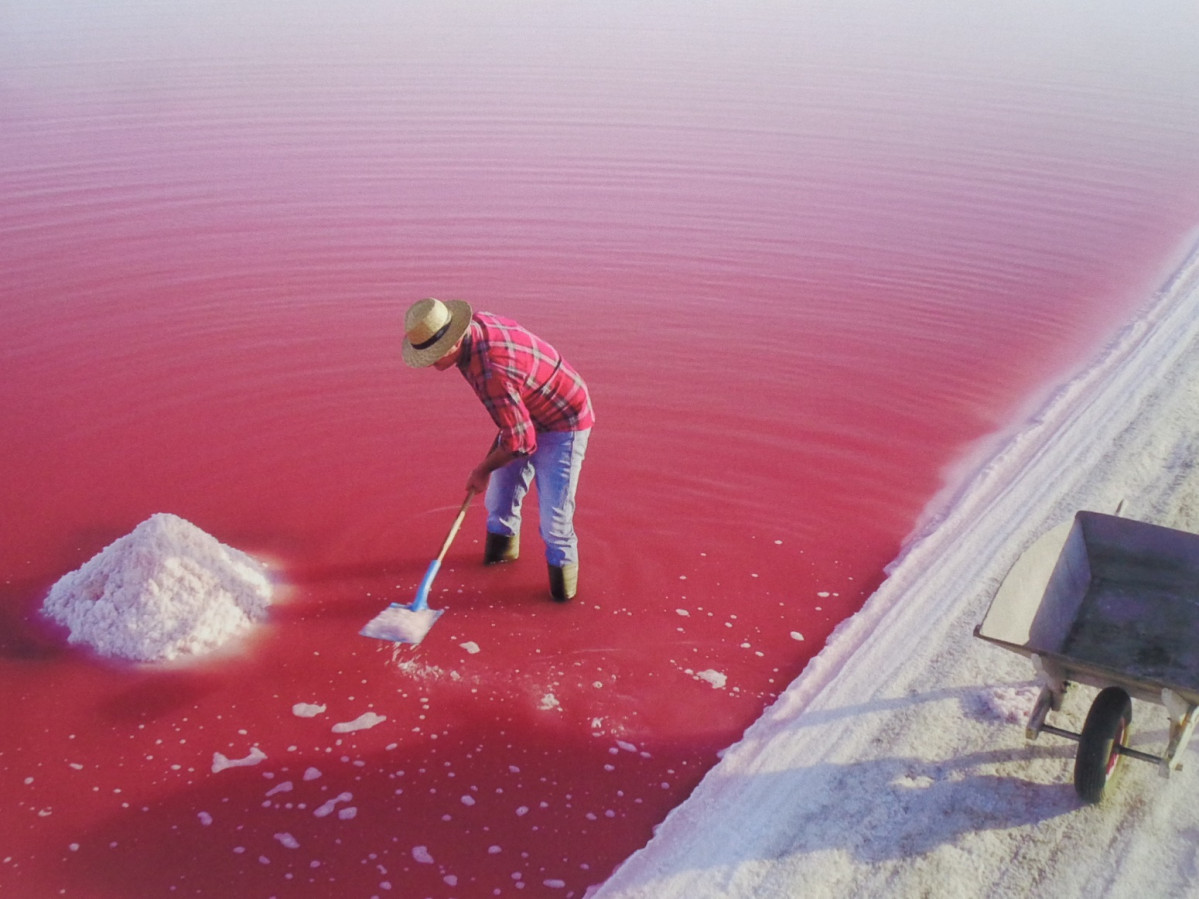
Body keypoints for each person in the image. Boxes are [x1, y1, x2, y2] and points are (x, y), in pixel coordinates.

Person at [402, 297, 593, 601]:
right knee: (498, 504)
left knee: (555, 525)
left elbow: (522, 442)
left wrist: (482, 469)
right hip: (522, 412)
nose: (429, 362)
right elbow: (517, 429)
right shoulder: (473, 333)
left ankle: (563, 601)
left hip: (563, 419)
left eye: (432, 355)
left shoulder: (490, 370)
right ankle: (498, 566)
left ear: (451, 344)